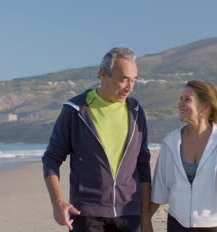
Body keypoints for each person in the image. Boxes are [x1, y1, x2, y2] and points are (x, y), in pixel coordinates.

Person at [42, 48, 152, 232]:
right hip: (87, 213)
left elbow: (143, 163)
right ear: (103, 74)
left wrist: (145, 214)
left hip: (130, 213)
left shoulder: (136, 111)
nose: (130, 88)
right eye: (123, 79)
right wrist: (58, 202)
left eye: (134, 80)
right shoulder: (76, 110)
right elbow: (51, 158)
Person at [150, 80, 217, 232]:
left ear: (205, 106)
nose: (180, 104)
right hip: (177, 223)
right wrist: (145, 219)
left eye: (187, 99)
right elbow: (160, 187)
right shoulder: (171, 141)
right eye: (180, 99)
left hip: (213, 224)